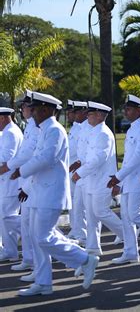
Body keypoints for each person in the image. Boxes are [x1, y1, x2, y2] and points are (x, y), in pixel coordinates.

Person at [12, 92, 98, 296]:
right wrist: (26, 183)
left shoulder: (54, 131)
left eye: (33, 109)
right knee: (36, 237)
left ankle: (84, 259)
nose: (30, 113)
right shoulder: (43, 130)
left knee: (43, 237)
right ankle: (44, 282)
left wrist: (21, 171)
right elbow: (36, 157)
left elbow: (45, 158)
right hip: (38, 191)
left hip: (51, 193)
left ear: (45, 109)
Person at [107, 94, 140, 264]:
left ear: (139, 110)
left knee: (136, 215)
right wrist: (120, 181)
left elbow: (138, 158)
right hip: (129, 180)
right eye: (125, 108)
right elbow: (128, 159)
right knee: (127, 217)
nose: (125, 111)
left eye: (129, 109)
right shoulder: (132, 129)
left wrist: (118, 177)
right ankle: (130, 252)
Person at [72, 101, 124, 256]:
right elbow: (87, 156)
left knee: (101, 212)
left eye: (91, 113)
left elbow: (98, 159)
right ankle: (93, 246)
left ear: (100, 116)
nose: (88, 116)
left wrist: (80, 173)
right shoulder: (94, 131)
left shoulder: (103, 133)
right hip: (90, 180)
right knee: (91, 215)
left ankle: (128, 235)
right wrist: (80, 167)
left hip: (102, 180)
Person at [0, 92, 39, 276]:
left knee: (11, 219)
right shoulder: (26, 127)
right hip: (16, 180)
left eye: (24, 107)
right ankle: (18, 254)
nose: (22, 109)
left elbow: (8, 158)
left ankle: (18, 253)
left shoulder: (12, 133)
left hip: (13, 181)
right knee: (12, 220)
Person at [0, 107, 23, 262]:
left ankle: (32, 231)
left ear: (2, 118)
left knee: (8, 217)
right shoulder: (9, 131)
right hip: (7, 182)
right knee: (6, 218)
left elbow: (6, 157)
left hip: (10, 182)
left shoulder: (11, 133)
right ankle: (10, 251)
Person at [67, 101, 89, 245]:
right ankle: (75, 230)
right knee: (73, 203)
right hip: (71, 170)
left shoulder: (84, 128)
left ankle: (83, 234)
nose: (71, 115)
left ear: (83, 113)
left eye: (75, 112)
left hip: (80, 171)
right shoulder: (75, 128)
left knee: (81, 205)